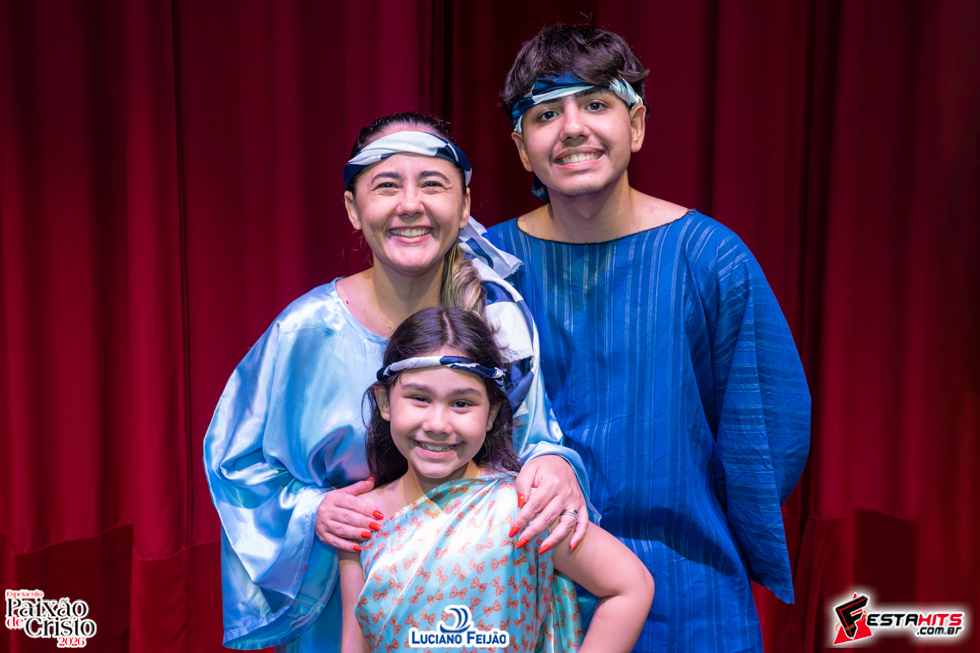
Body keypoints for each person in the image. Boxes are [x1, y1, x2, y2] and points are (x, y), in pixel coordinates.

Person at [476, 24, 811, 651]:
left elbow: (768, 434)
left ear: (636, 125)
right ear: (522, 148)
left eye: (595, 104)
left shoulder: (708, 257)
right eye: (546, 114)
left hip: (690, 591)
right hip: (522, 588)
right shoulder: (488, 268)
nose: (573, 128)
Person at [204, 113, 594, 651]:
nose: (410, 205)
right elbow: (235, 465)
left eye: (432, 184)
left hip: (477, 609)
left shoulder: (498, 319)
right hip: (348, 607)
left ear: (464, 204)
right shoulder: (304, 333)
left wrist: (554, 464)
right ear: (353, 208)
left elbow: (532, 441)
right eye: (387, 185)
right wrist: (312, 511)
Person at [339, 306, 654, 653]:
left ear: (491, 414)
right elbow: (356, 643)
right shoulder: (360, 520)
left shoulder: (523, 508)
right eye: (420, 399)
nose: (438, 424)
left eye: (461, 403)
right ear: (385, 402)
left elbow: (631, 585)